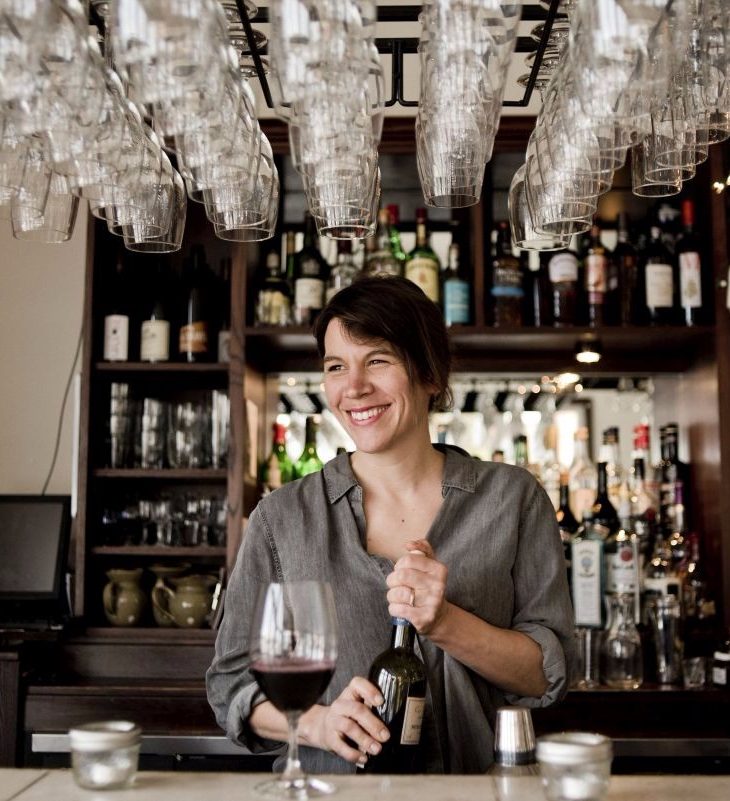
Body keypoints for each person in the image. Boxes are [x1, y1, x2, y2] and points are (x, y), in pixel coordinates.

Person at [206, 275, 575, 774]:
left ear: (431, 374)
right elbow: (230, 683)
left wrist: (444, 623)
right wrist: (318, 723)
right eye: (337, 366)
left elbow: (545, 675)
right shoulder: (282, 517)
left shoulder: (513, 499)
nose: (354, 387)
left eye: (377, 360)